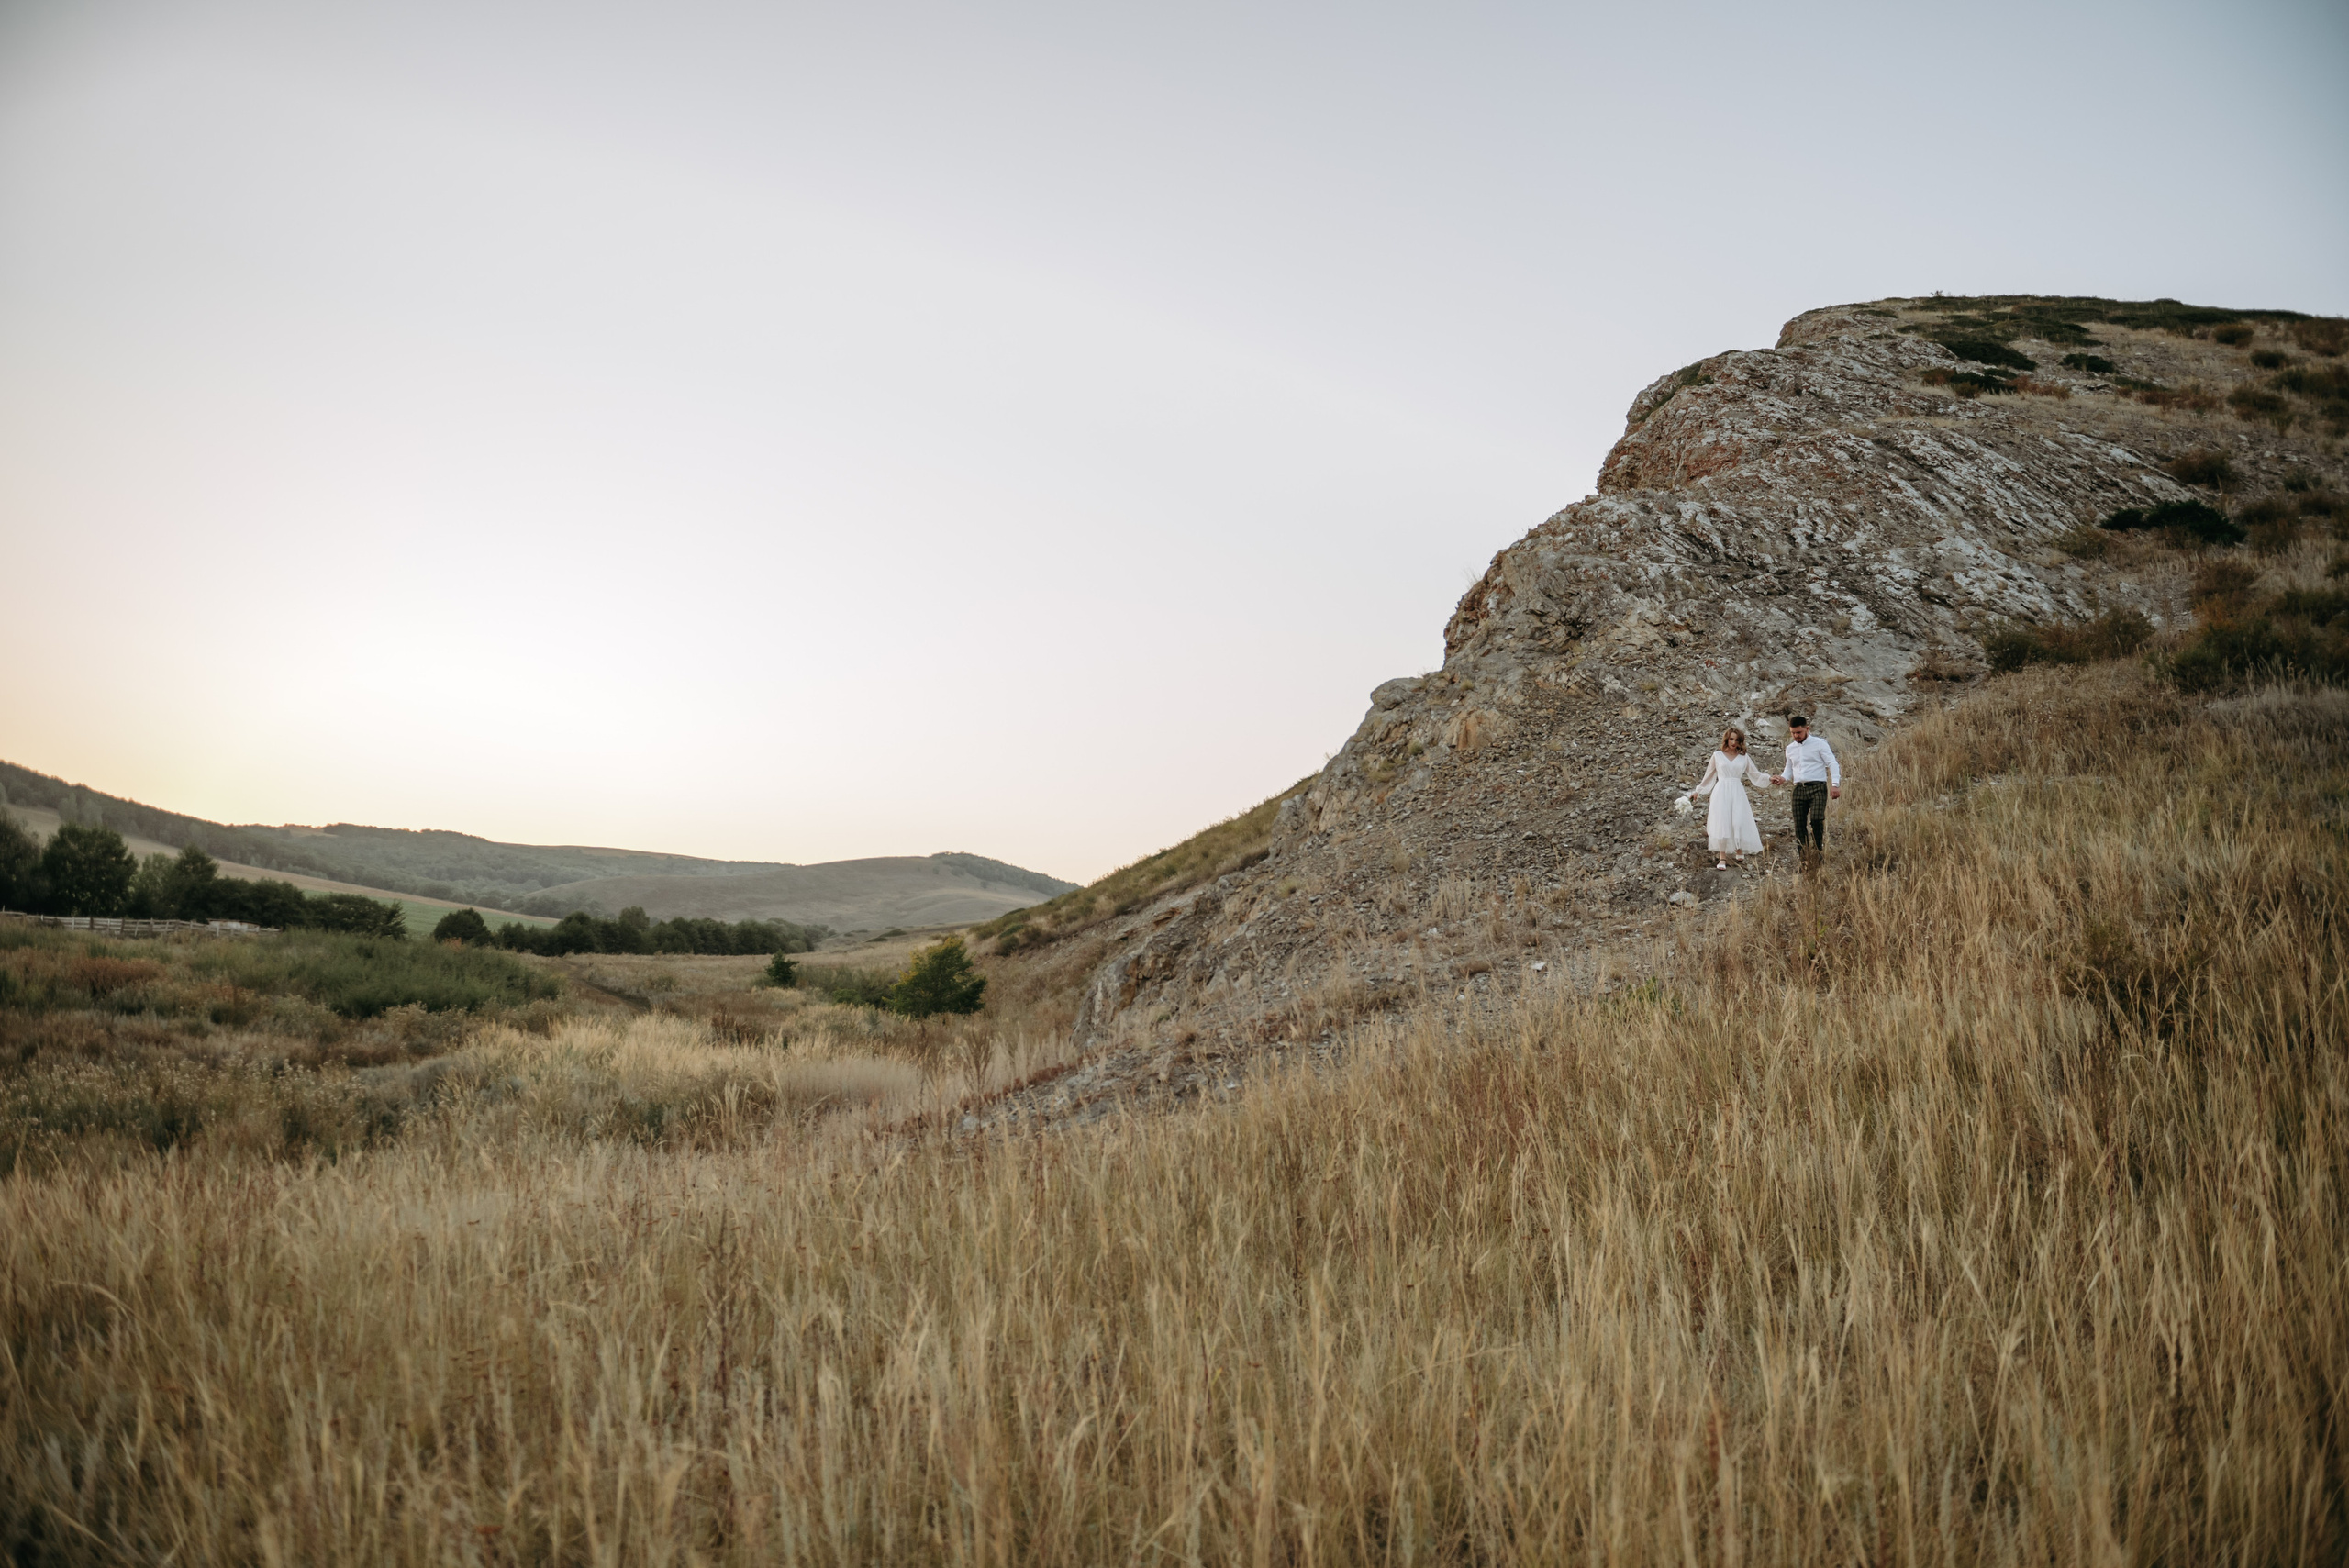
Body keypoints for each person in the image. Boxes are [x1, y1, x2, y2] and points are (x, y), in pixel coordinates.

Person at [1678, 728, 1775, 870]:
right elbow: (1709, 775)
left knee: (1738, 821)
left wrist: (1770, 778)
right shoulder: (1717, 755)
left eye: (1737, 740)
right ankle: (1722, 857)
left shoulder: (1744, 757)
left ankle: (1738, 848)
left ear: (1740, 741)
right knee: (1722, 822)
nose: (1734, 742)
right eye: (1731, 739)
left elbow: (1755, 774)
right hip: (1721, 790)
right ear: (1726, 739)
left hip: (1737, 790)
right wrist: (1697, 791)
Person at [1771, 714, 1841, 861]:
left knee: (1816, 819)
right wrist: (1783, 778)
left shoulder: (1820, 743)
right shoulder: (1790, 749)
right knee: (1799, 825)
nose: (1796, 736)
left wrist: (1835, 784)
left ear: (1807, 729)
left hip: (1818, 787)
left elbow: (1832, 763)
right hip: (1798, 789)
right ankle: (1804, 860)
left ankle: (1818, 853)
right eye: (1793, 733)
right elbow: (1789, 769)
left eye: (1799, 732)